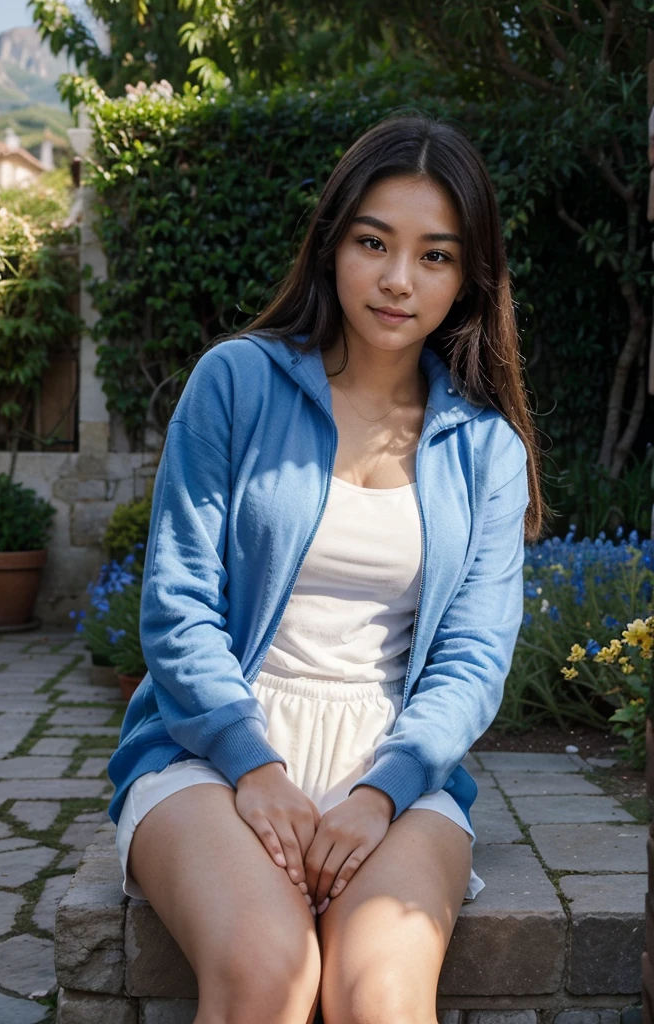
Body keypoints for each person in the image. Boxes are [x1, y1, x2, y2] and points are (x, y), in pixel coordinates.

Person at [107, 112, 546, 1024]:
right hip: (209, 755)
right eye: (373, 242)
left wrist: (383, 789)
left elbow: (472, 657)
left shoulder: (486, 449)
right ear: (331, 241)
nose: (397, 279)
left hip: (395, 773)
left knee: (381, 996)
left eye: (435, 256)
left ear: (469, 277)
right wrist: (253, 766)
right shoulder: (235, 382)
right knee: (268, 969)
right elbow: (178, 604)